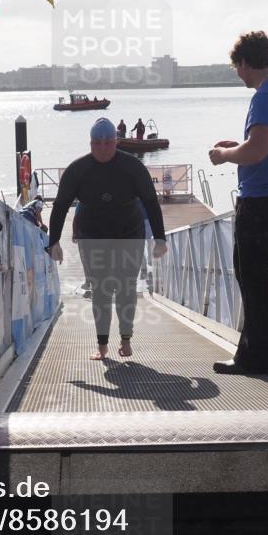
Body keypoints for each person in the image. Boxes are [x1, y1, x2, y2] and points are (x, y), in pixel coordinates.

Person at [208, 31, 268, 376]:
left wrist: (224, 155)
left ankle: (255, 357)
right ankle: (266, 350)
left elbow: (258, 151)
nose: (237, 73)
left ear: (246, 62)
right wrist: (241, 144)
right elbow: (263, 145)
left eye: (237, 66)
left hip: (262, 200)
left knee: (252, 277)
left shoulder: (264, 96)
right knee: (258, 277)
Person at [47, 118, 168, 361]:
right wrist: (54, 241)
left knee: (126, 288)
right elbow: (60, 206)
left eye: (108, 143)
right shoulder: (77, 170)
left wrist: (160, 238)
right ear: (91, 143)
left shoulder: (132, 167)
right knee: (100, 290)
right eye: (97, 143)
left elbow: (151, 203)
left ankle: (126, 339)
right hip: (92, 236)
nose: (102, 148)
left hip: (129, 233)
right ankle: (102, 345)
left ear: (116, 142)